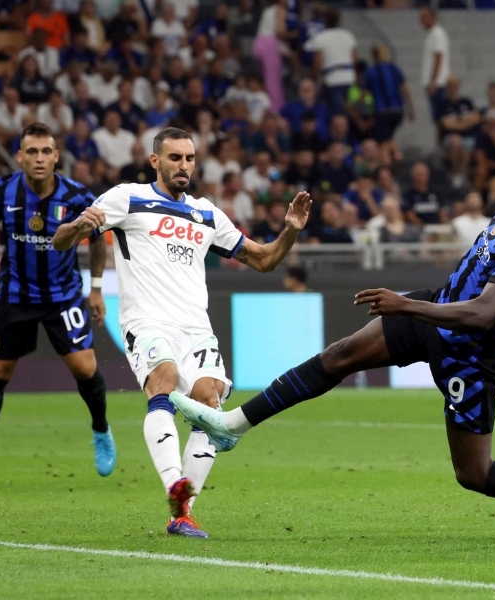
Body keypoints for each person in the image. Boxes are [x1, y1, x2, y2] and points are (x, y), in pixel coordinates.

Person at [168, 136, 495, 546]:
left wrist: (405, 305)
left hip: (471, 351)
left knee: (474, 474)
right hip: (439, 309)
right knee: (342, 355)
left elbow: (484, 315)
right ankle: (233, 425)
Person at [52, 127, 312, 538]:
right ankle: (174, 481)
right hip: (147, 320)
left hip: (196, 327)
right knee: (165, 381)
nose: (184, 166)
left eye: (189, 158)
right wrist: (82, 224)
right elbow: (61, 241)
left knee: (210, 402)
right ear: (155, 160)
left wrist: (291, 230)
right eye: (175, 158)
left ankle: (183, 512)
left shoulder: (207, 213)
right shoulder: (127, 197)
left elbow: (263, 260)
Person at [0, 122, 115, 483]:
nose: (38, 158)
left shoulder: (78, 196)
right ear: (20, 156)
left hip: (63, 296)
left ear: (55, 156)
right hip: (16, 295)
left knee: (84, 368)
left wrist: (95, 288)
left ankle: (101, 431)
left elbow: (98, 240)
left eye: (45, 151)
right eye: (31, 151)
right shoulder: (1, 191)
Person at [420, 6, 449, 123]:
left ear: (432, 17)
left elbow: (438, 58)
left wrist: (433, 82)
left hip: (438, 83)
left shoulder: (437, 34)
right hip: (435, 83)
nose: (421, 21)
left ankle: (441, 140)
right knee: (436, 117)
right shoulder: (431, 34)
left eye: (424, 17)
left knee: (440, 117)